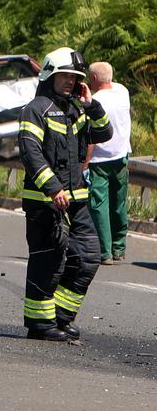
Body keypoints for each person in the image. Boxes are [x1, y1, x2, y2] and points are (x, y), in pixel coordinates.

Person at [18, 47, 112, 342]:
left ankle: (61, 316)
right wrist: (53, 188)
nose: (71, 81)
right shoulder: (36, 109)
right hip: (45, 202)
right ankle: (40, 324)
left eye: (75, 77)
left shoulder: (77, 109)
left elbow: (104, 133)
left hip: (76, 200)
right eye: (65, 76)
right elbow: (30, 152)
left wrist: (92, 105)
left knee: (87, 257)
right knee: (50, 262)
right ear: (50, 75)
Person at [86, 61, 130, 264]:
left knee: (99, 206)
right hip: (121, 156)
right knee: (119, 203)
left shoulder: (95, 102)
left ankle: (105, 252)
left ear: (93, 78)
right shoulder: (123, 92)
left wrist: (84, 163)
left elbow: (91, 137)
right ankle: (119, 248)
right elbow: (112, 82)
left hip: (99, 160)